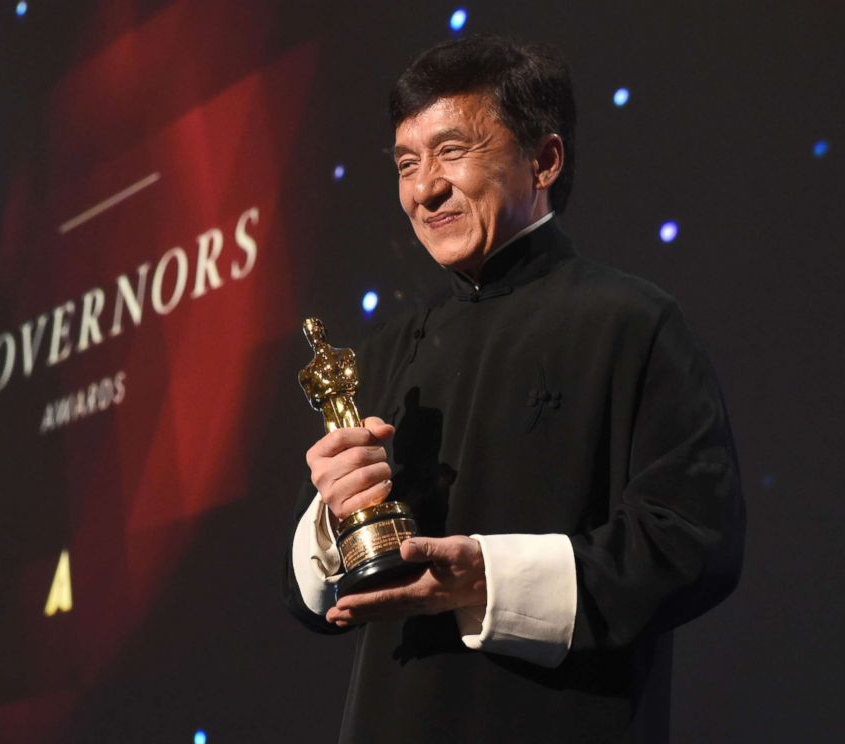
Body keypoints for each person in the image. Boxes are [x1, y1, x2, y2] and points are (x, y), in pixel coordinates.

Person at [283, 34, 745, 743]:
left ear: (544, 160)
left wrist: (489, 580)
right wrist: (329, 520)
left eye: (452, 152)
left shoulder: (632, 322)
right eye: (407, 163)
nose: (423, 188)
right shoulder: (380, 357)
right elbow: (309, 602)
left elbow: (693, 542)